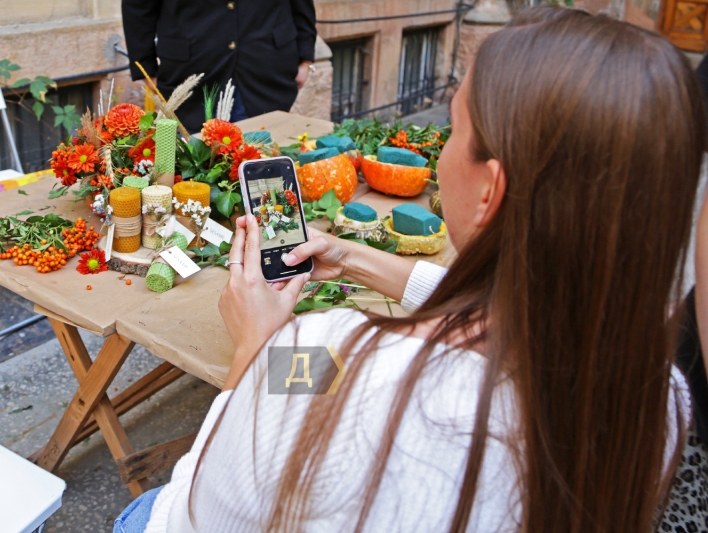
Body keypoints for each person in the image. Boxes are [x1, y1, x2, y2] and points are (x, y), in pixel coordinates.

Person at [114, 8, 705, 533]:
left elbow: (194, 515)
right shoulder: (657, 391)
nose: (440, 151)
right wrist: (355, 259)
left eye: (453, 130)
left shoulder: (323, 352)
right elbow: (518, 300)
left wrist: (257, 348)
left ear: (488, 191)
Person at [121, 0, 317, 132]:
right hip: (190, 77)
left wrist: (306, 56)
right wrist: (144, 67)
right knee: (198, 179)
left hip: (265, 70)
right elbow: (138, 6)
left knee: (264, 171)